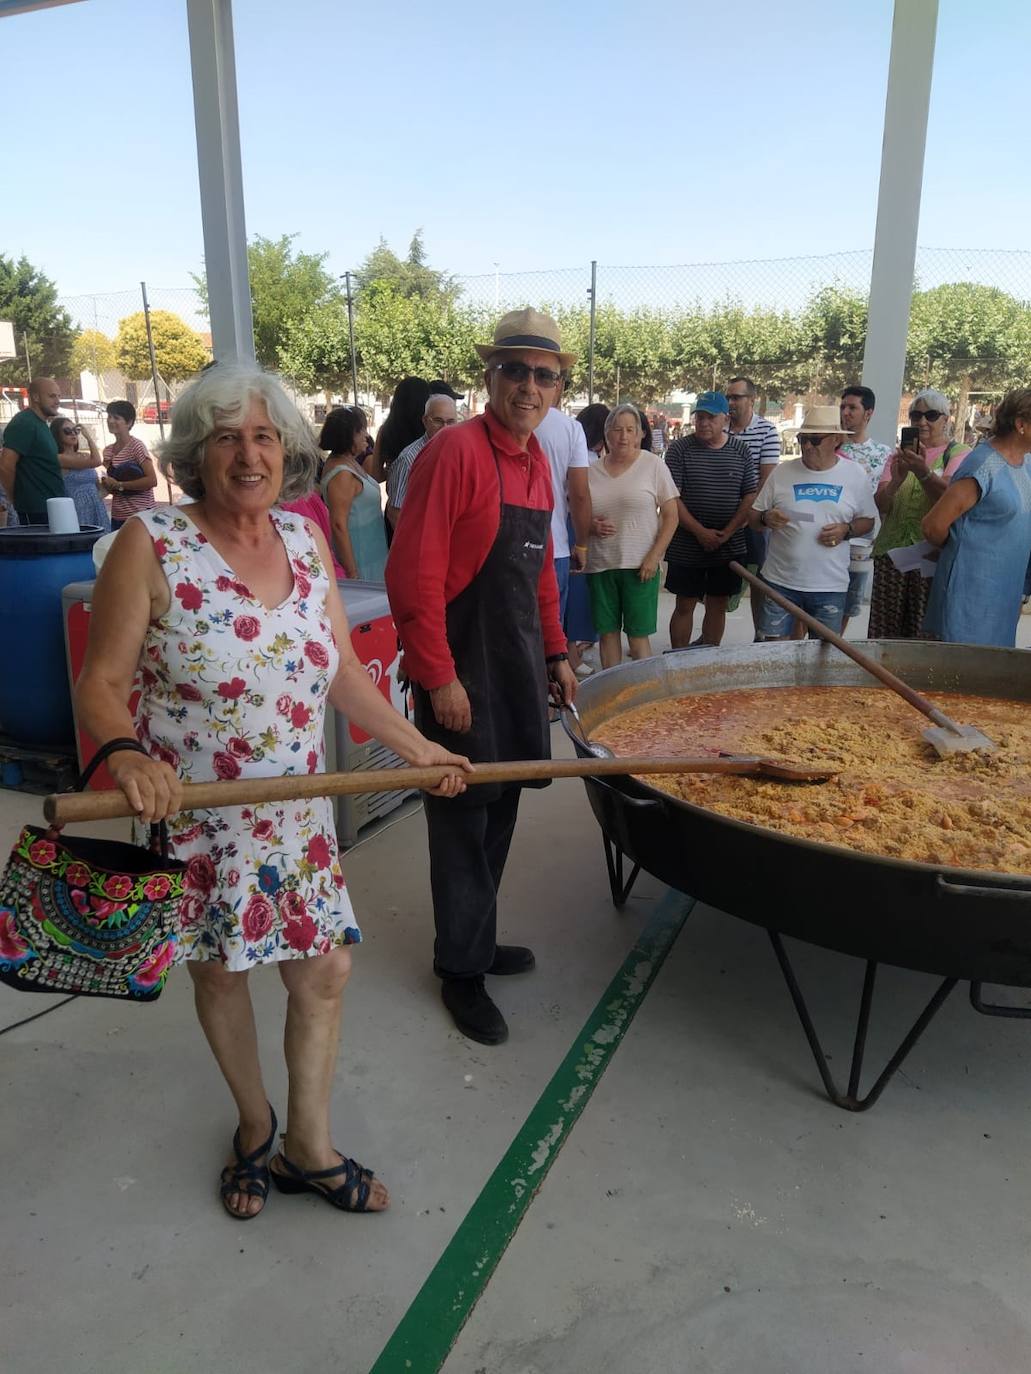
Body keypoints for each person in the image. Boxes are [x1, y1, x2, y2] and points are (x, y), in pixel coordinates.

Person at [75, 362, 471, 1220]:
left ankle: (308, 1146)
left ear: (284, 450)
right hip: (199, 819)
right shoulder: (154, 545)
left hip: (294, 815)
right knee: (221, 975)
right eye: (226, 438)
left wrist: (419, 749)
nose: (247, 455)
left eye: (261, 437)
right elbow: (101, 681)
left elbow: (345, 678)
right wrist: (124, 755)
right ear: (194, 453)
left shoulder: (303, 539)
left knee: (322, 971)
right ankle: (254, 1128)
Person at [385, 307, 578, 1046]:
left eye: (543, 375)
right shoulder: (454, 453)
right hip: (462, 665)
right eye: (515, 371)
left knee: (499, 809)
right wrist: (439, 679)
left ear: (558, 386)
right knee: (462, 818)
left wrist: (556, 654)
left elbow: (535, 579)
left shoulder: (535, 461)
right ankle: (459, 972)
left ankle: (477, 935)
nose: (528, 386)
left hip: (516, 663)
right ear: (488, 376)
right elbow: (413, 575)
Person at [749, 405, 876, 638]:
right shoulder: (782, 473)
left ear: (836, 440)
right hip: (780, 583)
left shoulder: (855, 475)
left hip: (830, 586)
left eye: (815, 440)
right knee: (771, 655)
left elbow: (868, 522)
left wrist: (846, 530)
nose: (807, 446)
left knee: (823, 659)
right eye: (803, 439)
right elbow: (754, 519)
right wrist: (767, 518)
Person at [922, 388, 1031, 648]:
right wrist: (962, 550)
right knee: (958, 679)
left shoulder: (1025, 464)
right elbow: (933, 526)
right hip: (969, 597)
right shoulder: (983, 465)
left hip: (1004, 596)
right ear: (1021, 425)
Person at [869, 389, 970, 638]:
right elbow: (882, 505)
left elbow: (949, 498)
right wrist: (897, 479)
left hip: (931, 557)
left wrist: (923, 471)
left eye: (931, 415)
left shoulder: (958, 454)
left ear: (946, 419)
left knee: (923, 633)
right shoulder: (897, 456)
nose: (922, 422)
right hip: (892, 557)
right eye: (915, 415)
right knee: (885, 635)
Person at [585, 404, 678, 667]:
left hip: (640, 566)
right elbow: (576, 514)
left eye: (630, 430)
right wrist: (591, 526)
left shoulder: (653, 466)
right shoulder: (591, 471)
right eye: (617, 430)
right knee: (607, 635)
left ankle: (643, 699)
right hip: (601, 564)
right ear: (607, 435)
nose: (623, 436)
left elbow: (672, 516)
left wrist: (654, 556)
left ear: (639, 435)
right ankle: (613, 697)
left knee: (638, 640)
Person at [664, 391, 758, 648]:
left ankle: (708, 658)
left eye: (711, 418)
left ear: (725, 419)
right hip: (686, 543)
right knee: (685, 602)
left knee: (717, 604)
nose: (704, 423)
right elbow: (672, 497)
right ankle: (678, 659)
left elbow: (750, 494)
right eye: (700, 417)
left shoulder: (741, 450)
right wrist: (699, 532)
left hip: (729, 545)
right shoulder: (679, 449)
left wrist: (726, 533)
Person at [726, 377, 781, 639]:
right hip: (722, 519)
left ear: (751, 400)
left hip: (754, 521)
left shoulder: (767, 432)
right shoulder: (719, 428)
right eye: (728, 397)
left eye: (736, 397)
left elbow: (766, 479)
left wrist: (747, 516)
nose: (731, 403)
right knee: (717, 580)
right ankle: (710, 636)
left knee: (759, 579)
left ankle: (761, 634)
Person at [837, 385, 893, 634]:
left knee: (848, 602)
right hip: (825, 532)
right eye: (843, 407)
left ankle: (830, 650)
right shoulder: (830, 446)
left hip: (861, 539)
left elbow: (884, 498)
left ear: (868, 413)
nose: (846, 413)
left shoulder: (883, 454)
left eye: (852, 407)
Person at [534, 380, 592, 620]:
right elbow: (579, 494)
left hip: (504, 547)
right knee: (549, 631)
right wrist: (581, 544)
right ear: (559, 387)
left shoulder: (506, 422)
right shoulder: (570, 428)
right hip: (554, 545)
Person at [318, 406, 388, 581]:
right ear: (348, 436)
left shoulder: (348, 462)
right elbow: (338, 525)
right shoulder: (342, 473)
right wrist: (352, 572)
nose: (366, 435)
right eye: (361, 430)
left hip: (373, 554)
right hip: (361, 559)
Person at [566, 404, 609, 672]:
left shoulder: (585, 454)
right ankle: (571, 656)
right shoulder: (588, 460)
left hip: (572, 528)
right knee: (577, 598)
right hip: (579, 531)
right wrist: (589, 527)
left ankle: (574, 651)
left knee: (573, 598)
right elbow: (577, 497)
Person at [385, 393, 459, 530]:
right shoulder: (408, 459)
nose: (445, 428)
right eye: (438, 421)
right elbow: (395, 513)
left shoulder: (459, 453)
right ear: (425, 421)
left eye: (450, 422)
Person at [0, 377, 64, 523]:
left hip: (52, 505)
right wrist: (14, 498)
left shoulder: (40, 423)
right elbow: (5, 466)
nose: (57, 401)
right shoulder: (24, 423)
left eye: (59, 396)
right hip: (35, 510)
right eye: (52, 396)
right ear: (35, 397)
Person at [101, 401, 157, 529]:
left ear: (129, 422)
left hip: (140, 515)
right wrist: (107, 484)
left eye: (116, 417)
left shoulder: (136, 446)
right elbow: (114, 488)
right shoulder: (108, 451)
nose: (110, 420)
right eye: (109, 416)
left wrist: (119, 485)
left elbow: (152, 480)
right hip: (118, 515)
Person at [366, 376, 431, 485]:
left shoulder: (386, 431)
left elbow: (376, 475)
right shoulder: (429, 429)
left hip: (395, 494)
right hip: (423, 492)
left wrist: (394, 471)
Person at [50, 416, 111, 530]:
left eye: (76, 430)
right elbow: (97, 461)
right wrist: (88, 437)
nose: (73, 434)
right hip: (77, 509)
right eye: (67, 431)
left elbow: (98, 487)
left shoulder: (85, 456)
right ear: (57, 434)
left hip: (96, 506)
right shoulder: (60, 458)